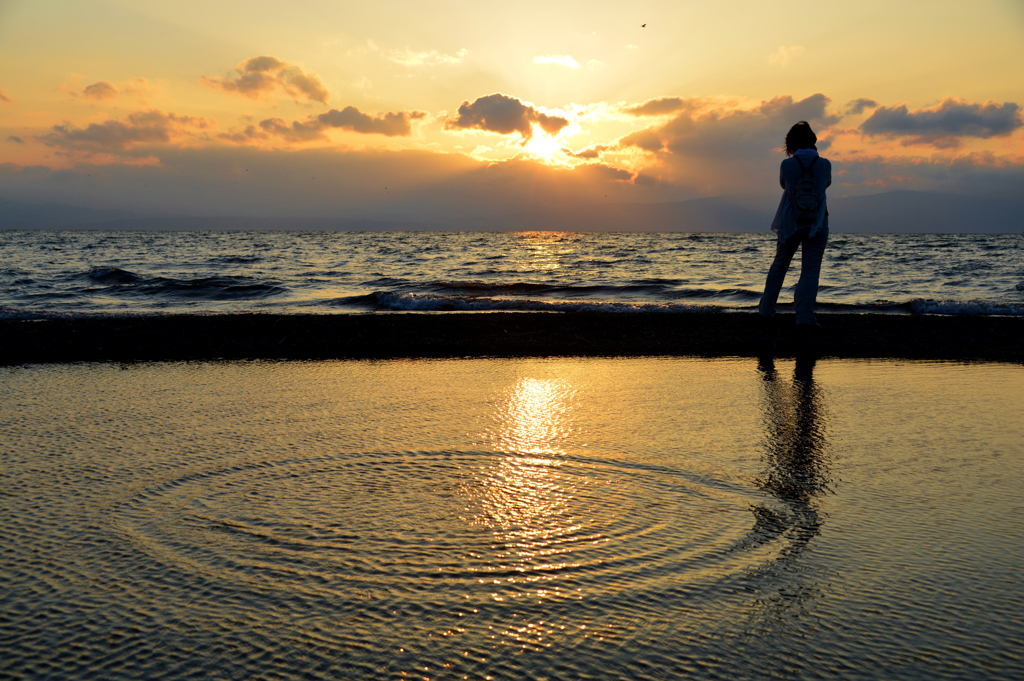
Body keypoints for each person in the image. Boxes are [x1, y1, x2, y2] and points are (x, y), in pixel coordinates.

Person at [758, 121, 831, 328]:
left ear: (791, 144)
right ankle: (805, 318)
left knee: (780, 265)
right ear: (813, 141)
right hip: (818, 221)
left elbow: (784, 185)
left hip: (790, 221)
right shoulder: (825, 164)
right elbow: (826, 185)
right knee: (810, 271)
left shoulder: (787, 165)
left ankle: (766, 311)